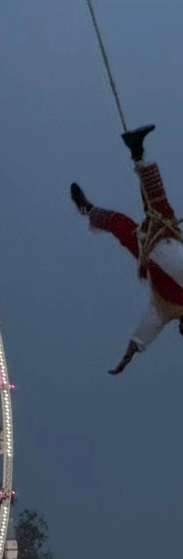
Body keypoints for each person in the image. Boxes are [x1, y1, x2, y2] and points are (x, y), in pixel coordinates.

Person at [70, 124, 183, 374]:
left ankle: (87, 210)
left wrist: (127, 356)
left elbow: (146, 331)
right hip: (169, 234)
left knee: (119, 223)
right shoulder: (168, 309)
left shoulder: (166, 309)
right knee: (155, 197)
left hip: (147, 250)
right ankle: (136, 149)